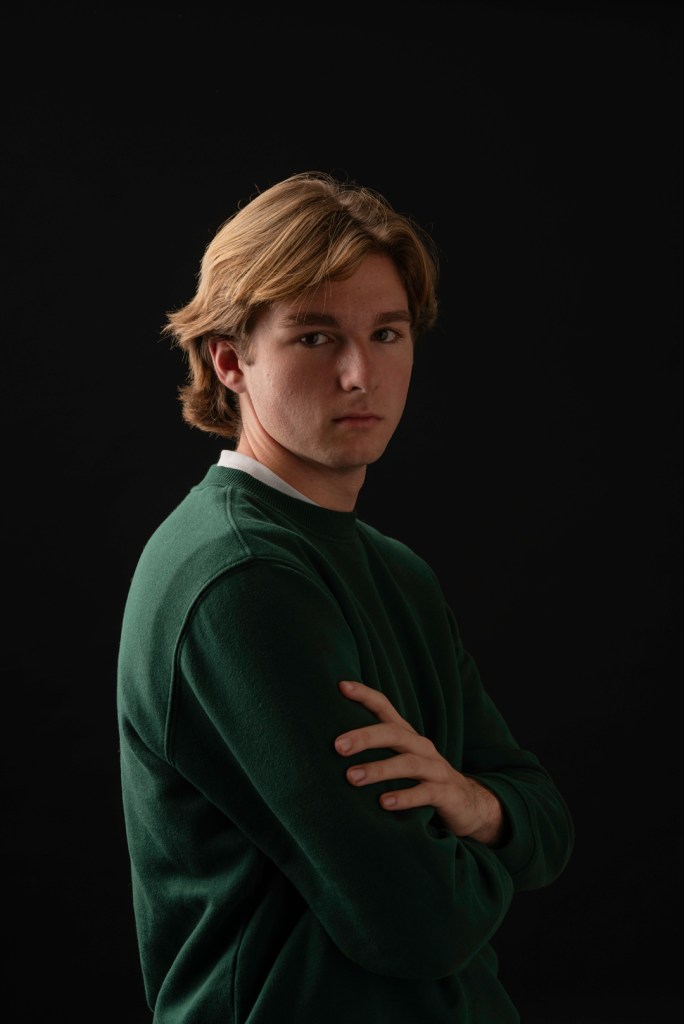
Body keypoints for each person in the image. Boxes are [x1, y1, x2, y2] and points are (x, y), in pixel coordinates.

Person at [117, 170, 574, 1024]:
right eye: (317, 338)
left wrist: (480, 805)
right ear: (231, 361)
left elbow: (544, 818)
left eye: (388, 333)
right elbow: (421, 921)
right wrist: (487, 839)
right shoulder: (241, 576)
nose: (362, 374)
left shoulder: (395, 568)